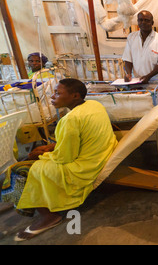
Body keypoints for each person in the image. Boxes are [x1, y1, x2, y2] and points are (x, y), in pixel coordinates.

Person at [0, 78, 118, 241]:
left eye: (57, 93)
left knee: (18, 170)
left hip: (84, 168)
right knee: (37, 158)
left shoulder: (69, 120)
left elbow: (64, 157)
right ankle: (33, 200)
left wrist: (40, 155)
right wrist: (49, 148)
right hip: (99, 153)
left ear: (75, 96)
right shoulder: (93, 105)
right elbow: (77, 139)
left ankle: (48, 217)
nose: (52, 97)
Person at [122, 10, 158, 84]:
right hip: (135, 81)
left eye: (146, 20)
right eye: (140, 20)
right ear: (137, 22)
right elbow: (128, 59)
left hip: (154, 80)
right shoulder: (131, 37)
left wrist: (148, 76)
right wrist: (128, 74)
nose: (143, 22)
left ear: (152, 23)